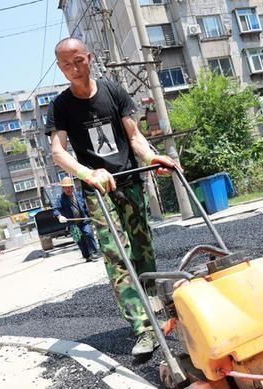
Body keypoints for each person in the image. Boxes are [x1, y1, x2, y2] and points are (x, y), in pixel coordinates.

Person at [45, 37, 178, 356]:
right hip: (97, 192)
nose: (73, 69)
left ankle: (155, 307)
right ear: (60, 69)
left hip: (129, 180)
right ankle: (141, 327)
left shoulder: (113, 91)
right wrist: (89, 174)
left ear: (89, 58)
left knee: (142, 247)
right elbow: (58, 152)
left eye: (78, 60)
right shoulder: (60, 106)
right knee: (116, 253)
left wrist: (152, 158)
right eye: (66, 64)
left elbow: (134, 136)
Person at [53, 176, 101, 262]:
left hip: (84, 220)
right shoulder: (60, 198)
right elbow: (56, 209)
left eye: (69, 187)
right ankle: (87, 256)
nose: (68, 189)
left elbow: (85, 205)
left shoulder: (78, 195)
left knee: (88, 234)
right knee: (79, 240)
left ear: (72, 187)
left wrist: (91, 214)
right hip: (73, 224)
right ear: (63, 188)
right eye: (65, 188)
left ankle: (94, 252)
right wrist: (60, 216)